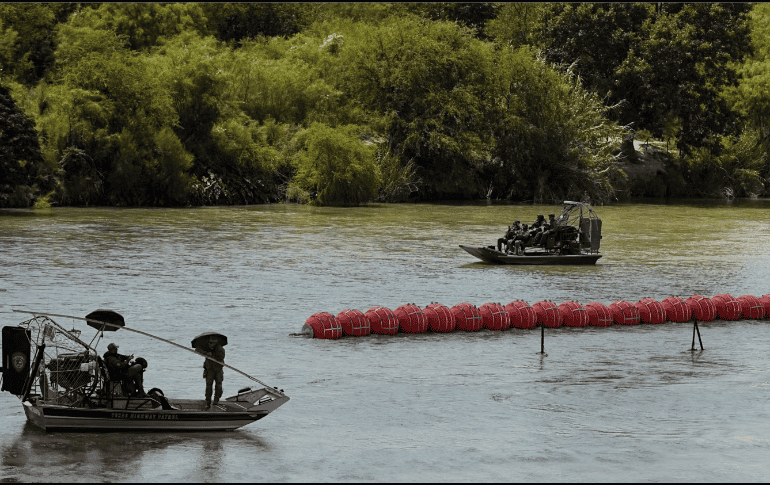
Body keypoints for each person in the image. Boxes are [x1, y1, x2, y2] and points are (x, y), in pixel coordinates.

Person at [199, 336, 225, 408]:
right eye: (209, 343)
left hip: (218, 370)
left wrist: (212, 355)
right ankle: (208, 401)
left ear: (215, 343)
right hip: (209, 370)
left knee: (219, 385)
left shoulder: (220, 349)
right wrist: (206, 353)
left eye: (212, 343)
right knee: (208, 385)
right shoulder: (206, 347)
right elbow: (197, 350)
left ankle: (216, 400)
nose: (210, 344)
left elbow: (221, 357)